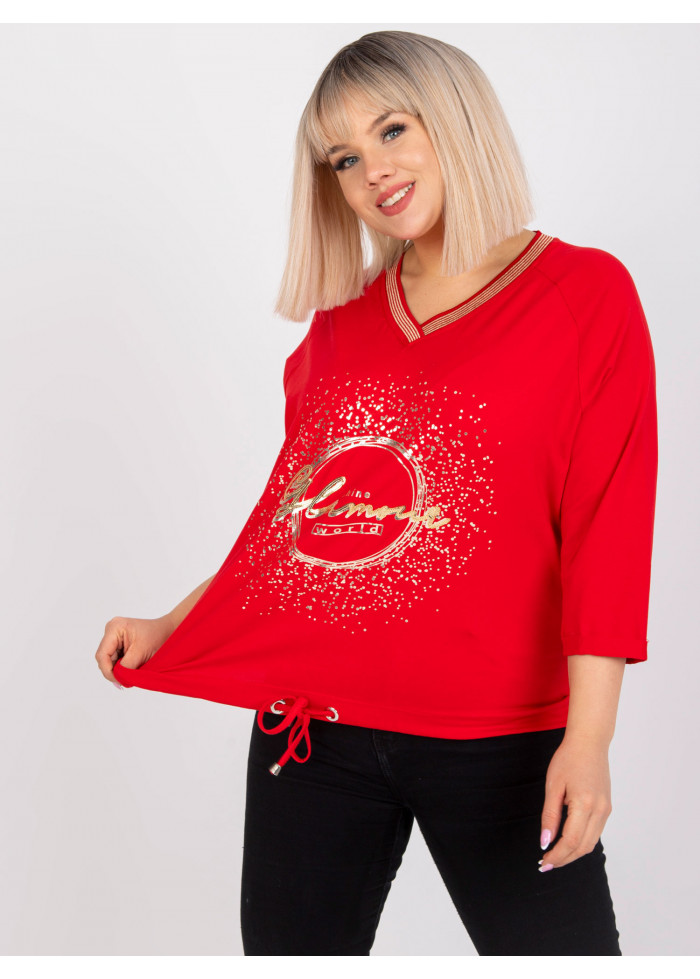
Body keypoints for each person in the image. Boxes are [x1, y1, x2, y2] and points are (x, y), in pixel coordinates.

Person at [95, 31, 658, 955]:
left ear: (455, 118)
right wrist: (171, 624)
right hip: (313, 733)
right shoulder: (342, 321)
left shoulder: (584, 293)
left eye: (392, 130)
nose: (373, 173)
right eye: (344, 159)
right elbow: (301, 534)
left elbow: (608, 530)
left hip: (500, 738)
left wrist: (589, 738)